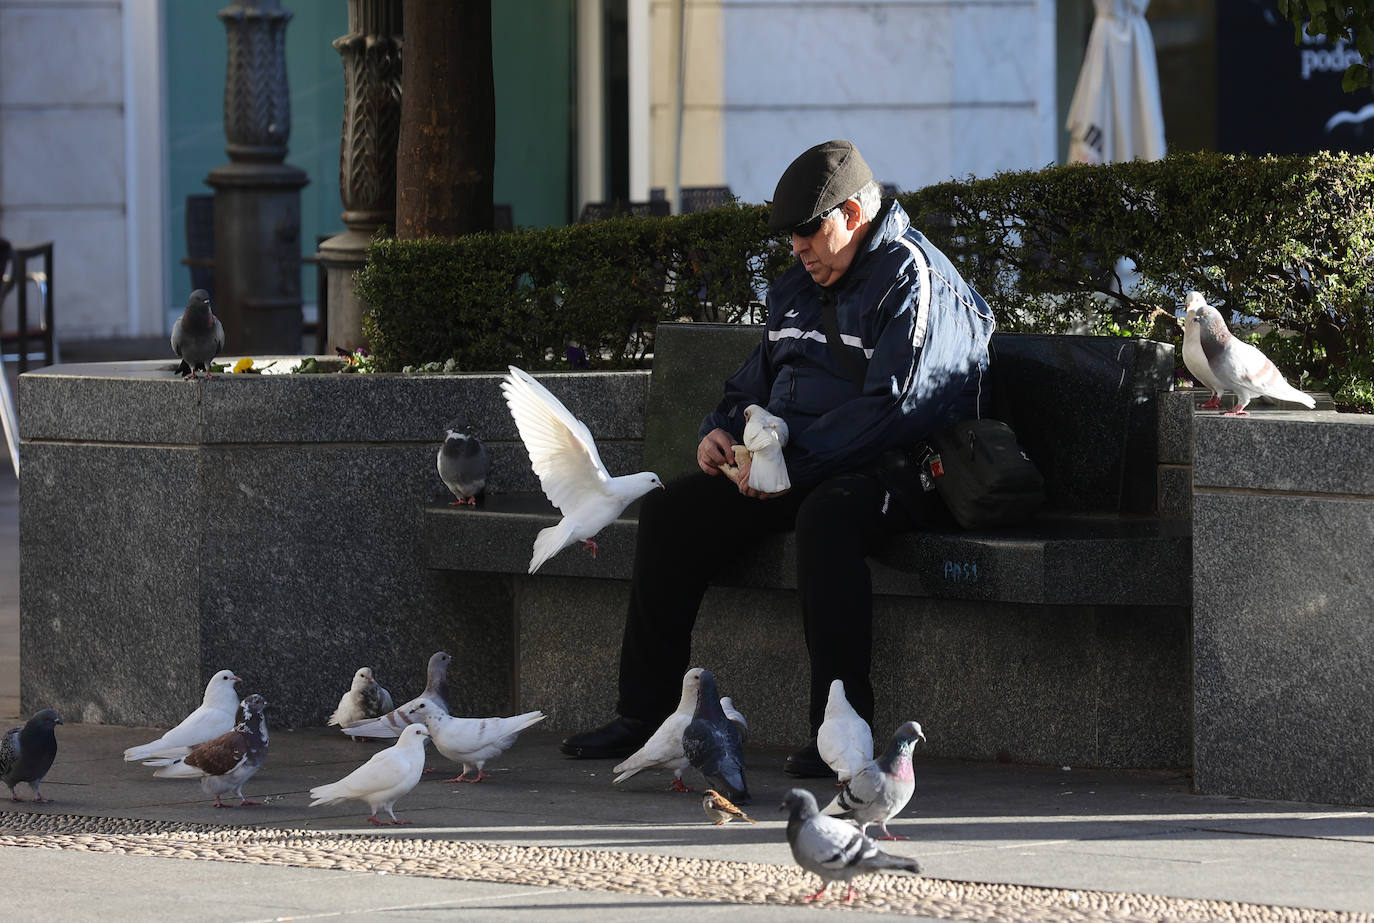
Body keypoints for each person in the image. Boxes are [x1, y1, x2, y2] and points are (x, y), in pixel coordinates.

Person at [560, 139, 996, 777]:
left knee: (826, 519)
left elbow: (893, 408)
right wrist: (720, 431)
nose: (798, 248)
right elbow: (753, 383)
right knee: (671, 514)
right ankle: (645, 716)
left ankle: (838, 732)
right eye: (791, 237)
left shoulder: (911, 277)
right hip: (793, 464)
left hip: (895, 469)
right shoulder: (799, 285)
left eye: (809, 232)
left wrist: (789, 466)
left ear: (852, 214)